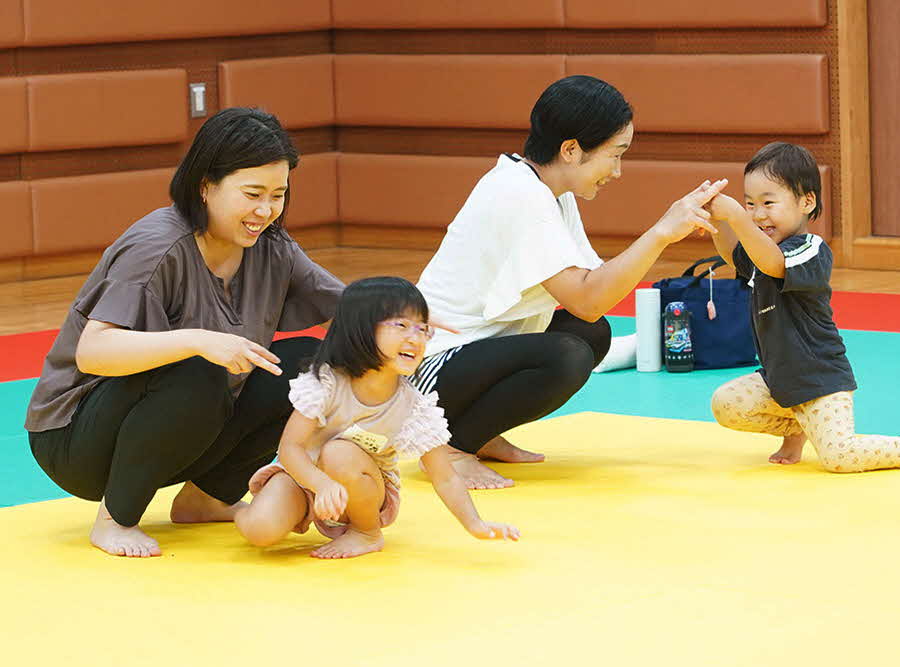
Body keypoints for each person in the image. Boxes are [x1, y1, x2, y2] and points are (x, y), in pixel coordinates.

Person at [24, 108, 347, 558]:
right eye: (252, 193)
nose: (266, 210)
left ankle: (207, 498)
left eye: (278, 195)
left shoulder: (271, 245)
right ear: (205, 185)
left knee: (307, 366)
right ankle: (114, 520)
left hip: (183, 435)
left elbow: (347, 310)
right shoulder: (157, 246)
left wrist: (404, 320)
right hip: (76, 440)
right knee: (197, 368)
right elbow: (93, 352)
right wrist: (197, 339)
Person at [414, 75, 726, 489]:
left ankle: (479, 434)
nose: (617, 171)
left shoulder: (548, 190)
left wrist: (664, 231)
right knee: (568, 355)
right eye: (614, 155)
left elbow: (594, 290)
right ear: (571, 150)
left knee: (590, 334)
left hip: (466, 360)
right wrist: (661, 233)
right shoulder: (522, 196)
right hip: (426, 375)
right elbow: (586, 298)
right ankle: (452, 448)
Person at [706, 142, 900, 472]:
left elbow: (773, 263)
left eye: (768, 203)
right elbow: (736, 255)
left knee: (839, 457)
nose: (758, 214)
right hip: (780, 381)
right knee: (726, 404)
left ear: (807, 202)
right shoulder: (762, 250)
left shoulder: (810, 249)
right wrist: (714, 221)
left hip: (821, 382)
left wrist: (735, 216)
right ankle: (797, 428)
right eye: (749, 205)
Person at [235, 277, 519, 559]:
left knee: (339, 452)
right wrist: (320, 484)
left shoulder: (412, 405)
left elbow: (444, 477)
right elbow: (290, 448)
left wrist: (475, 524)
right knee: (260, 532)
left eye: (423, 329)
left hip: (364, 491)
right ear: (361, 329)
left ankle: (365, 532)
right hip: (305, 478)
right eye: (401, 325)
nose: (416, 337)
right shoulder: (327, 383)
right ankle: (238, 510)